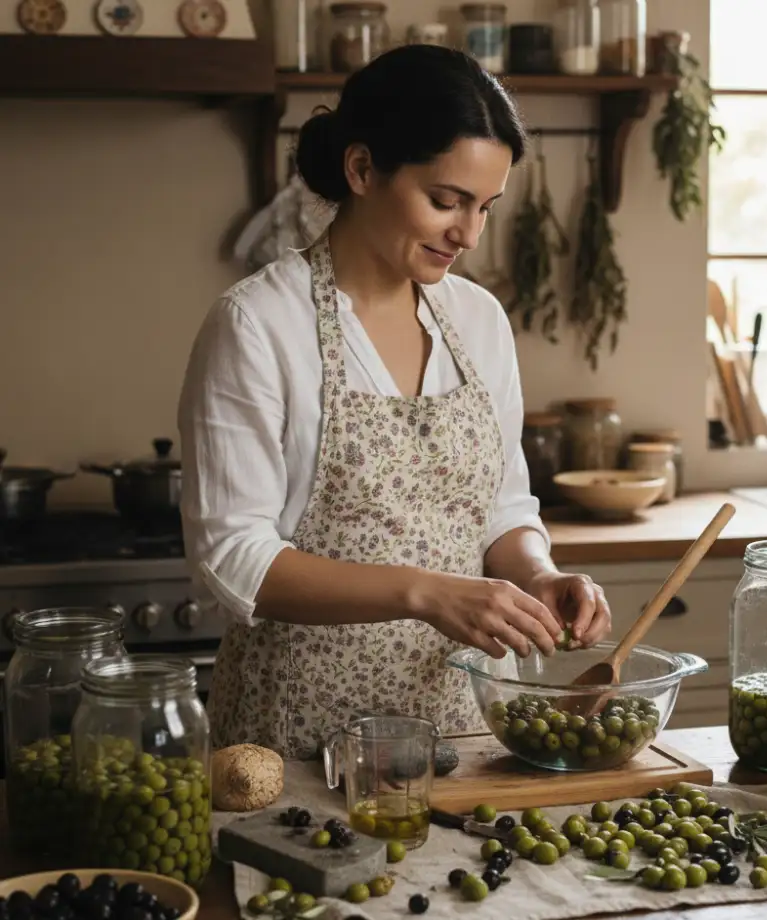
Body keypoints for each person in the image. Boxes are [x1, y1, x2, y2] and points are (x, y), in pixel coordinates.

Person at [178, 44, 611, 760]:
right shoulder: (259, 324)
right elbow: (235, 557)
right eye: (445, 201)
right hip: (301, 739)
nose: (468, 234)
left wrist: (538, 573)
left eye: (485, 208)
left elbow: (502, 506)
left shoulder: (478, 321)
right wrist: (427, 592)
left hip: (465, 728)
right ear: (362, 169)